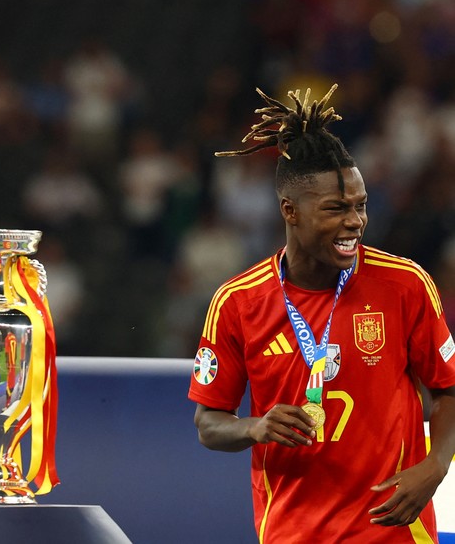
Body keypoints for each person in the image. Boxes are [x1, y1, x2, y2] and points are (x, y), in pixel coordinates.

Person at [188, 85, 455, 543]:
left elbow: (449, 390)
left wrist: (434, 467)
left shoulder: (405, 284)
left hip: (394, 530)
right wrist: (256, 426)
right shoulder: (238, 302)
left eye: (360, 206)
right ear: (290, 211)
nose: (354, 221)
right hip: (293, 532)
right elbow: (209, 425)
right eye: (335, 209)